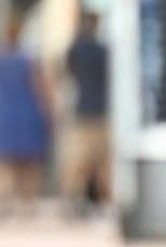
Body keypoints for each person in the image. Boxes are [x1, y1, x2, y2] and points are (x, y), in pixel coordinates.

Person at [0, 8, 52, 219]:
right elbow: (40, 87)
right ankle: (27, 204)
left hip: (6, 112)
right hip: (27, 111)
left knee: (7, 161)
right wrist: (48, 111)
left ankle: (6, 201)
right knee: (29, 161)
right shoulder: (29, 59)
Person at [62, 9, 110, 217]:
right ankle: (92, 201)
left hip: (87, 112)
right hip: (97, 112)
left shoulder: (80, 48)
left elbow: (68, 68)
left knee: (85, 162)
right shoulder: (101, 50)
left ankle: (78, 200)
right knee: (96, 162)